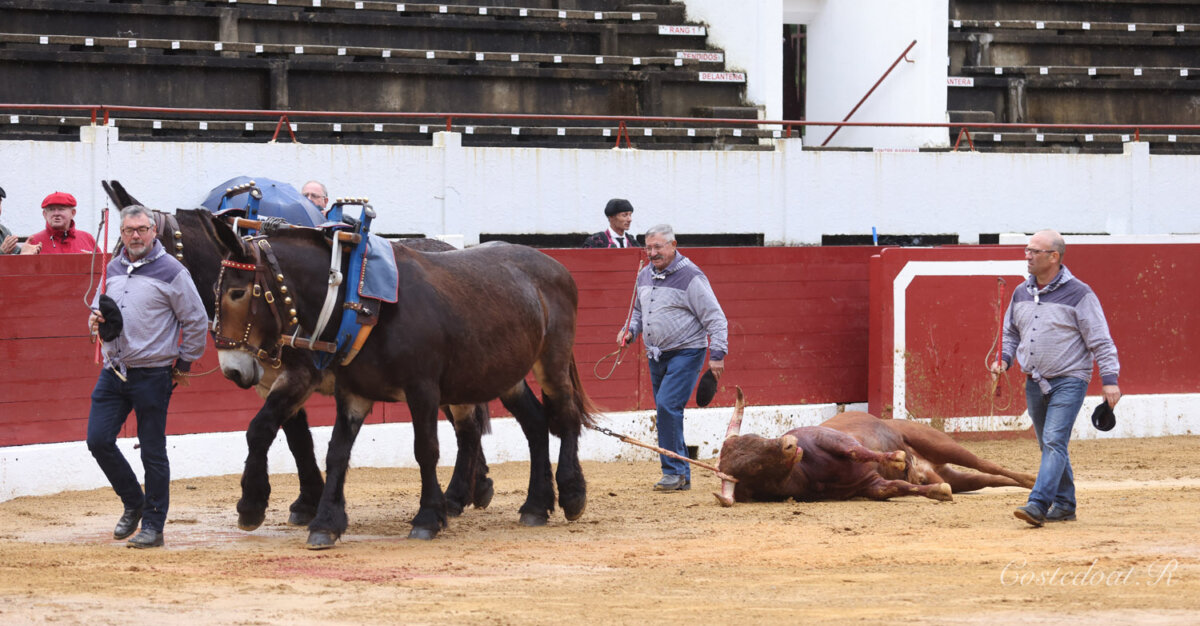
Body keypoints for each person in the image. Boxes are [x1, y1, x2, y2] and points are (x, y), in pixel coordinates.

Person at [86, 205, 208, 548]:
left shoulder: (172, 271)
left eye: (141, 229)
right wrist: (94, 322)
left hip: (153, 374)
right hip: (113, 371)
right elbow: (98, 309)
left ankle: (153, 525)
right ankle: (133, 502)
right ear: (121, 234)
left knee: (152, 451)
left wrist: (184, 363)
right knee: (98, 440)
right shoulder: (113, 267)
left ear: (154, 232)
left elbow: (196, 320)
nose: (135, 236)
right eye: (129, 231)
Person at [990, 229, 1121, 527]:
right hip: (1034, 380)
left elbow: (1100, 340)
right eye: (1026, 250)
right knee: (1048, 443)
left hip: (1070, 379)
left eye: (1034, 251)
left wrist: (1110, 379)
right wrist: (1005, 359)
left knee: (1052, 441)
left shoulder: (1080, 293)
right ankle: (1064, 504)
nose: (1027, 255)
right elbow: (1010, 333)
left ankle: (1038, 503)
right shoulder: (1021, 292)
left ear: (1054, 256)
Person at [620, 224, 728, 491]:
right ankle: (681, 475)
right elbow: (637, 311)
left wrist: (717, 355)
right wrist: (630, 330)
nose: (653, 253)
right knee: (668, 411)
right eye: (648, 248)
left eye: (658, 247)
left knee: (667, 407)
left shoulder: (691, 276)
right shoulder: (644, 275)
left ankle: (673, 472)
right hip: (656, 355)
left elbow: (716, 317)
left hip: (687, 351)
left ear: (673, 245)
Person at [25, 191, 96, 254]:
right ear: (45, 214)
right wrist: (24, 258)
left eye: (61, 209)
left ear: (73, 213)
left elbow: (102, 266)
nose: (56, 213)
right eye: (51, 209)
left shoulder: (87, 239)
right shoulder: (33, 241)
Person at [0, 185, 36, 255]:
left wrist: (24, 252)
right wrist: (1, 252)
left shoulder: (4, 231)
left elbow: (16, 256)